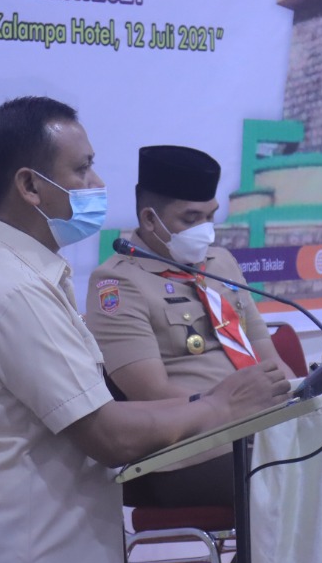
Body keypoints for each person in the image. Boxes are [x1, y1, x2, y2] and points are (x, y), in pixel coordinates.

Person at [0, 97, 289, 563]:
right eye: (81, 169)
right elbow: (107, 434)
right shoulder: (14, 290)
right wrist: (219, 407)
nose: (97, 182)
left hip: (56, 548)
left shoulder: (23, 272)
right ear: (30, 185)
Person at [84, 144, 297, 509]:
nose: (205, 231)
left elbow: (270, 360)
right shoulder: (118, 283)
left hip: (258, 431)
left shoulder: (222, 263)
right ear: (150, 220)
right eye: (191, 218)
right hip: (188, 451)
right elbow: (151, 394)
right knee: (298, 485)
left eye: (210, 217)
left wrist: (301, 404)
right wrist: (234, 410)